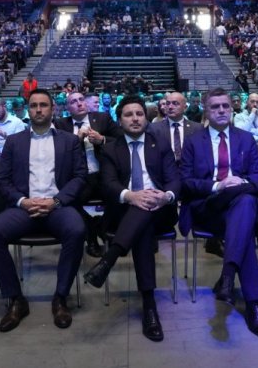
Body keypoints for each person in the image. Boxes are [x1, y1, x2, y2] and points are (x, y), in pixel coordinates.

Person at [180, 88, 258, 339]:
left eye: (225, 106)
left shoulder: (245, 139)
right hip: (209, 207)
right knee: (246, 208)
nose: (221, 110)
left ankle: (237, 287)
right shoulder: (194, 141)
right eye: (215, 106)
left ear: (231, 109)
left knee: (245, 207)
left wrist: (239, 183)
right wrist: (219, 185)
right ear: (206, 110)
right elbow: (186, 182)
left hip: (239, 209)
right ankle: (251, 303)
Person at [0, 89, 87, 332]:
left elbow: (80, 177)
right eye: (34, 105)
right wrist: (23, 201)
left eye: (43, 105)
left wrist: (56, 201)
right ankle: (16, 299)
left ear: (53, 109)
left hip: (57, 206)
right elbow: (2, 180)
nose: (38, 110)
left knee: (77, 230)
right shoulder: (14, 141)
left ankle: (61, 297)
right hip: (24, 207)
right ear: (28, 110)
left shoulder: (69, 141)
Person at [83, 95, 180, 342]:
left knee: (145, 210)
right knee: (142, 222)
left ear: (145, 118)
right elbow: (108, 184)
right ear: (120, 120)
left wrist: (165, 196)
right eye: (128, 114)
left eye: (139, 114)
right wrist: (131, 196)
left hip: (161, 210)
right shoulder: (110, 149)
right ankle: (149, 305)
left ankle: (109, 259)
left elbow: (174, 180)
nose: (135, 118)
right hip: (124, 211)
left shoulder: (160, 144)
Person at [54, 92, 123, 257]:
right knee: (67, 202)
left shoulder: (102, 118)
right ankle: (91, 235)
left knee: (120, 197)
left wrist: (102, 139)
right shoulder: (60, 124)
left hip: (103, 174)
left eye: (81, 100)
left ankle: (101, 226)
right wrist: (75, 140)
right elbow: (57, 153)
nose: (79, 103)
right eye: (73, 102)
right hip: (78, 178)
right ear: (67, 107)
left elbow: (121, 140)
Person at [147, 92, 204, 165]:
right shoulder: (154, 129)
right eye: (168, 103)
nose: (170, 107)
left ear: (185, 108)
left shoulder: (197, 128)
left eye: (175, 103)